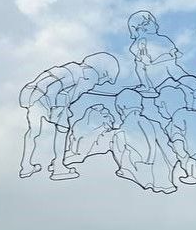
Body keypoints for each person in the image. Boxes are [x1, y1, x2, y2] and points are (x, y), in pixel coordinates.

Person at [19, 52, 120, 180]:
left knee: (33, 132)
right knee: (62, 131)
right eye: (105, 78)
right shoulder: (90, 75)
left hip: (34, 95)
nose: (100, 82)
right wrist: (58, 109)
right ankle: (58, 167)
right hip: (53, 101)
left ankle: (25, 166)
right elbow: (75, 90)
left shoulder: (73, 68)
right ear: (103, 71)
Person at [110, 89, 176, 193]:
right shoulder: (155, 124)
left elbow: (119, 155)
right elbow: (167, 148)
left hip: (135, 173)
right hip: (159, 176)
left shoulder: (120, 132)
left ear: (120, 108)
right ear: (141, 106)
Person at [127, 11, 186, 91]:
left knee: (176, 71)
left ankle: (187, 82)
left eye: (153, 22)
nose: (155, 25)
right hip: (151, 72)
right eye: (148, 23)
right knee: (139, 64)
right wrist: (142, 58)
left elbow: (175, 53)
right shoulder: (139, 44)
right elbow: (137, 55)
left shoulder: (163, 39)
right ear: (140, 28)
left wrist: (169, 55)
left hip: (166, 66)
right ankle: (145, 85)